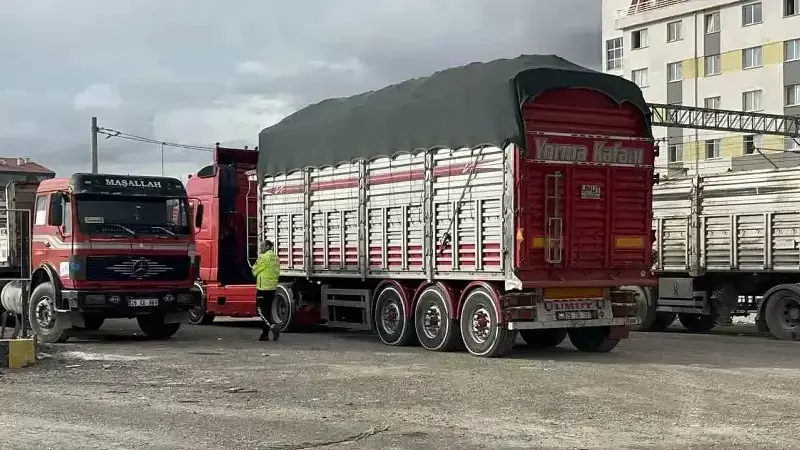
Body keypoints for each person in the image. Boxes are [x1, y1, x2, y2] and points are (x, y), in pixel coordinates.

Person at [252, 240, 281, 341]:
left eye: (263, 246)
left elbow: (254, 271)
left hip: (263, 288)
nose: (261, 248)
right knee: (267, 312)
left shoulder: (263, 257)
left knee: (261, 311)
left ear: (268, 246)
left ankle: (273, 327)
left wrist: (255, 269)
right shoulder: (275, 257)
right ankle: (264, 335)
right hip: (272, 288)